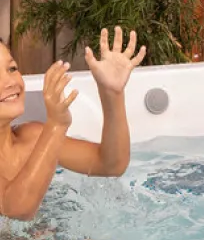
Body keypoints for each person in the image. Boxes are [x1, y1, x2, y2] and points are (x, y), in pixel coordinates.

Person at [0, 26, 146, 223]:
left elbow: (111, 165)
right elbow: (16, 210)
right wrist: (57, 125)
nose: (9, 81)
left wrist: (112, 93)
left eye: (12, 69)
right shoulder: (47, 132)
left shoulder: (33, 137)